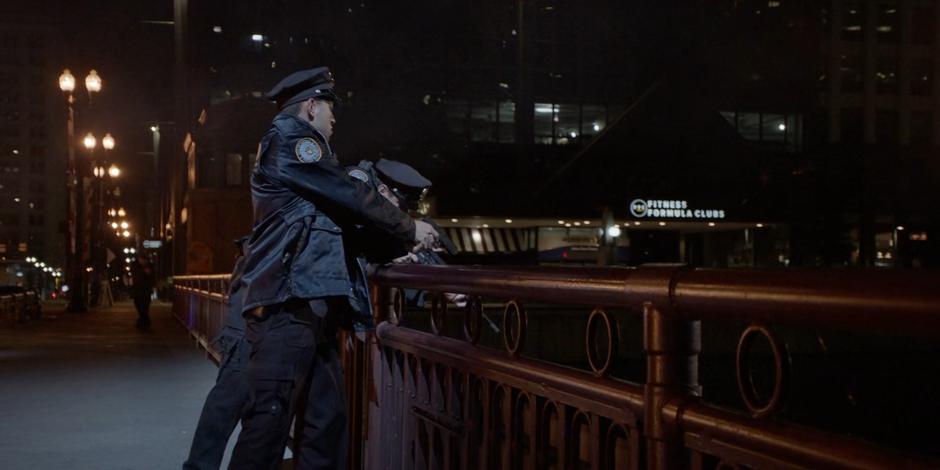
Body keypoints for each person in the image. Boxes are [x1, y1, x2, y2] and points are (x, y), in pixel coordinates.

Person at [227, 67, 439, 470]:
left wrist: (400, 243)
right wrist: (409, 226)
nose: (334, 118)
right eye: (329, 107)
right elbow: (349, 194)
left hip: (308, 310)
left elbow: (343, 226)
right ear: (310, 106)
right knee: (267, 430)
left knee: (325, 425)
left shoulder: (302, 155)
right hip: (285, 309)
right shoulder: (292, 141)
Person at [129, 253, 155, 329]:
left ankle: (143, 322)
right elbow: (133, 275)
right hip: (137, 289)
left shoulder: (149, 265)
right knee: (138, 305)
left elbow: (152, 276)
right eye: (142, 260)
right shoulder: (135, 265)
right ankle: (145, 321)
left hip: (146, 289)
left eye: (145, 260)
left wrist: (149, 274)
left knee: (145, 306)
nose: (143, 262)